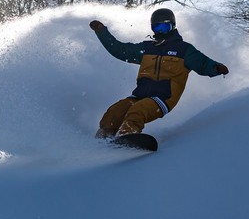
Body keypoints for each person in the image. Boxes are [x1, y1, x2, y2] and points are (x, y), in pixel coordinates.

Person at [89, 8, 229, 138]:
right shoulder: (147, 48)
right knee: (114, 112)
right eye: (157, 28)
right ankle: (103, 139)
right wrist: (102, 32)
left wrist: (215, 67)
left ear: (172, 26)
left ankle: (126, 138)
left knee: (137, 112)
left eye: (164, 27)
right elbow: (121, 50)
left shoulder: (184, 49)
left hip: (164, 97)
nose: (161, 31)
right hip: (140, 94)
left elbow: (202, 63)